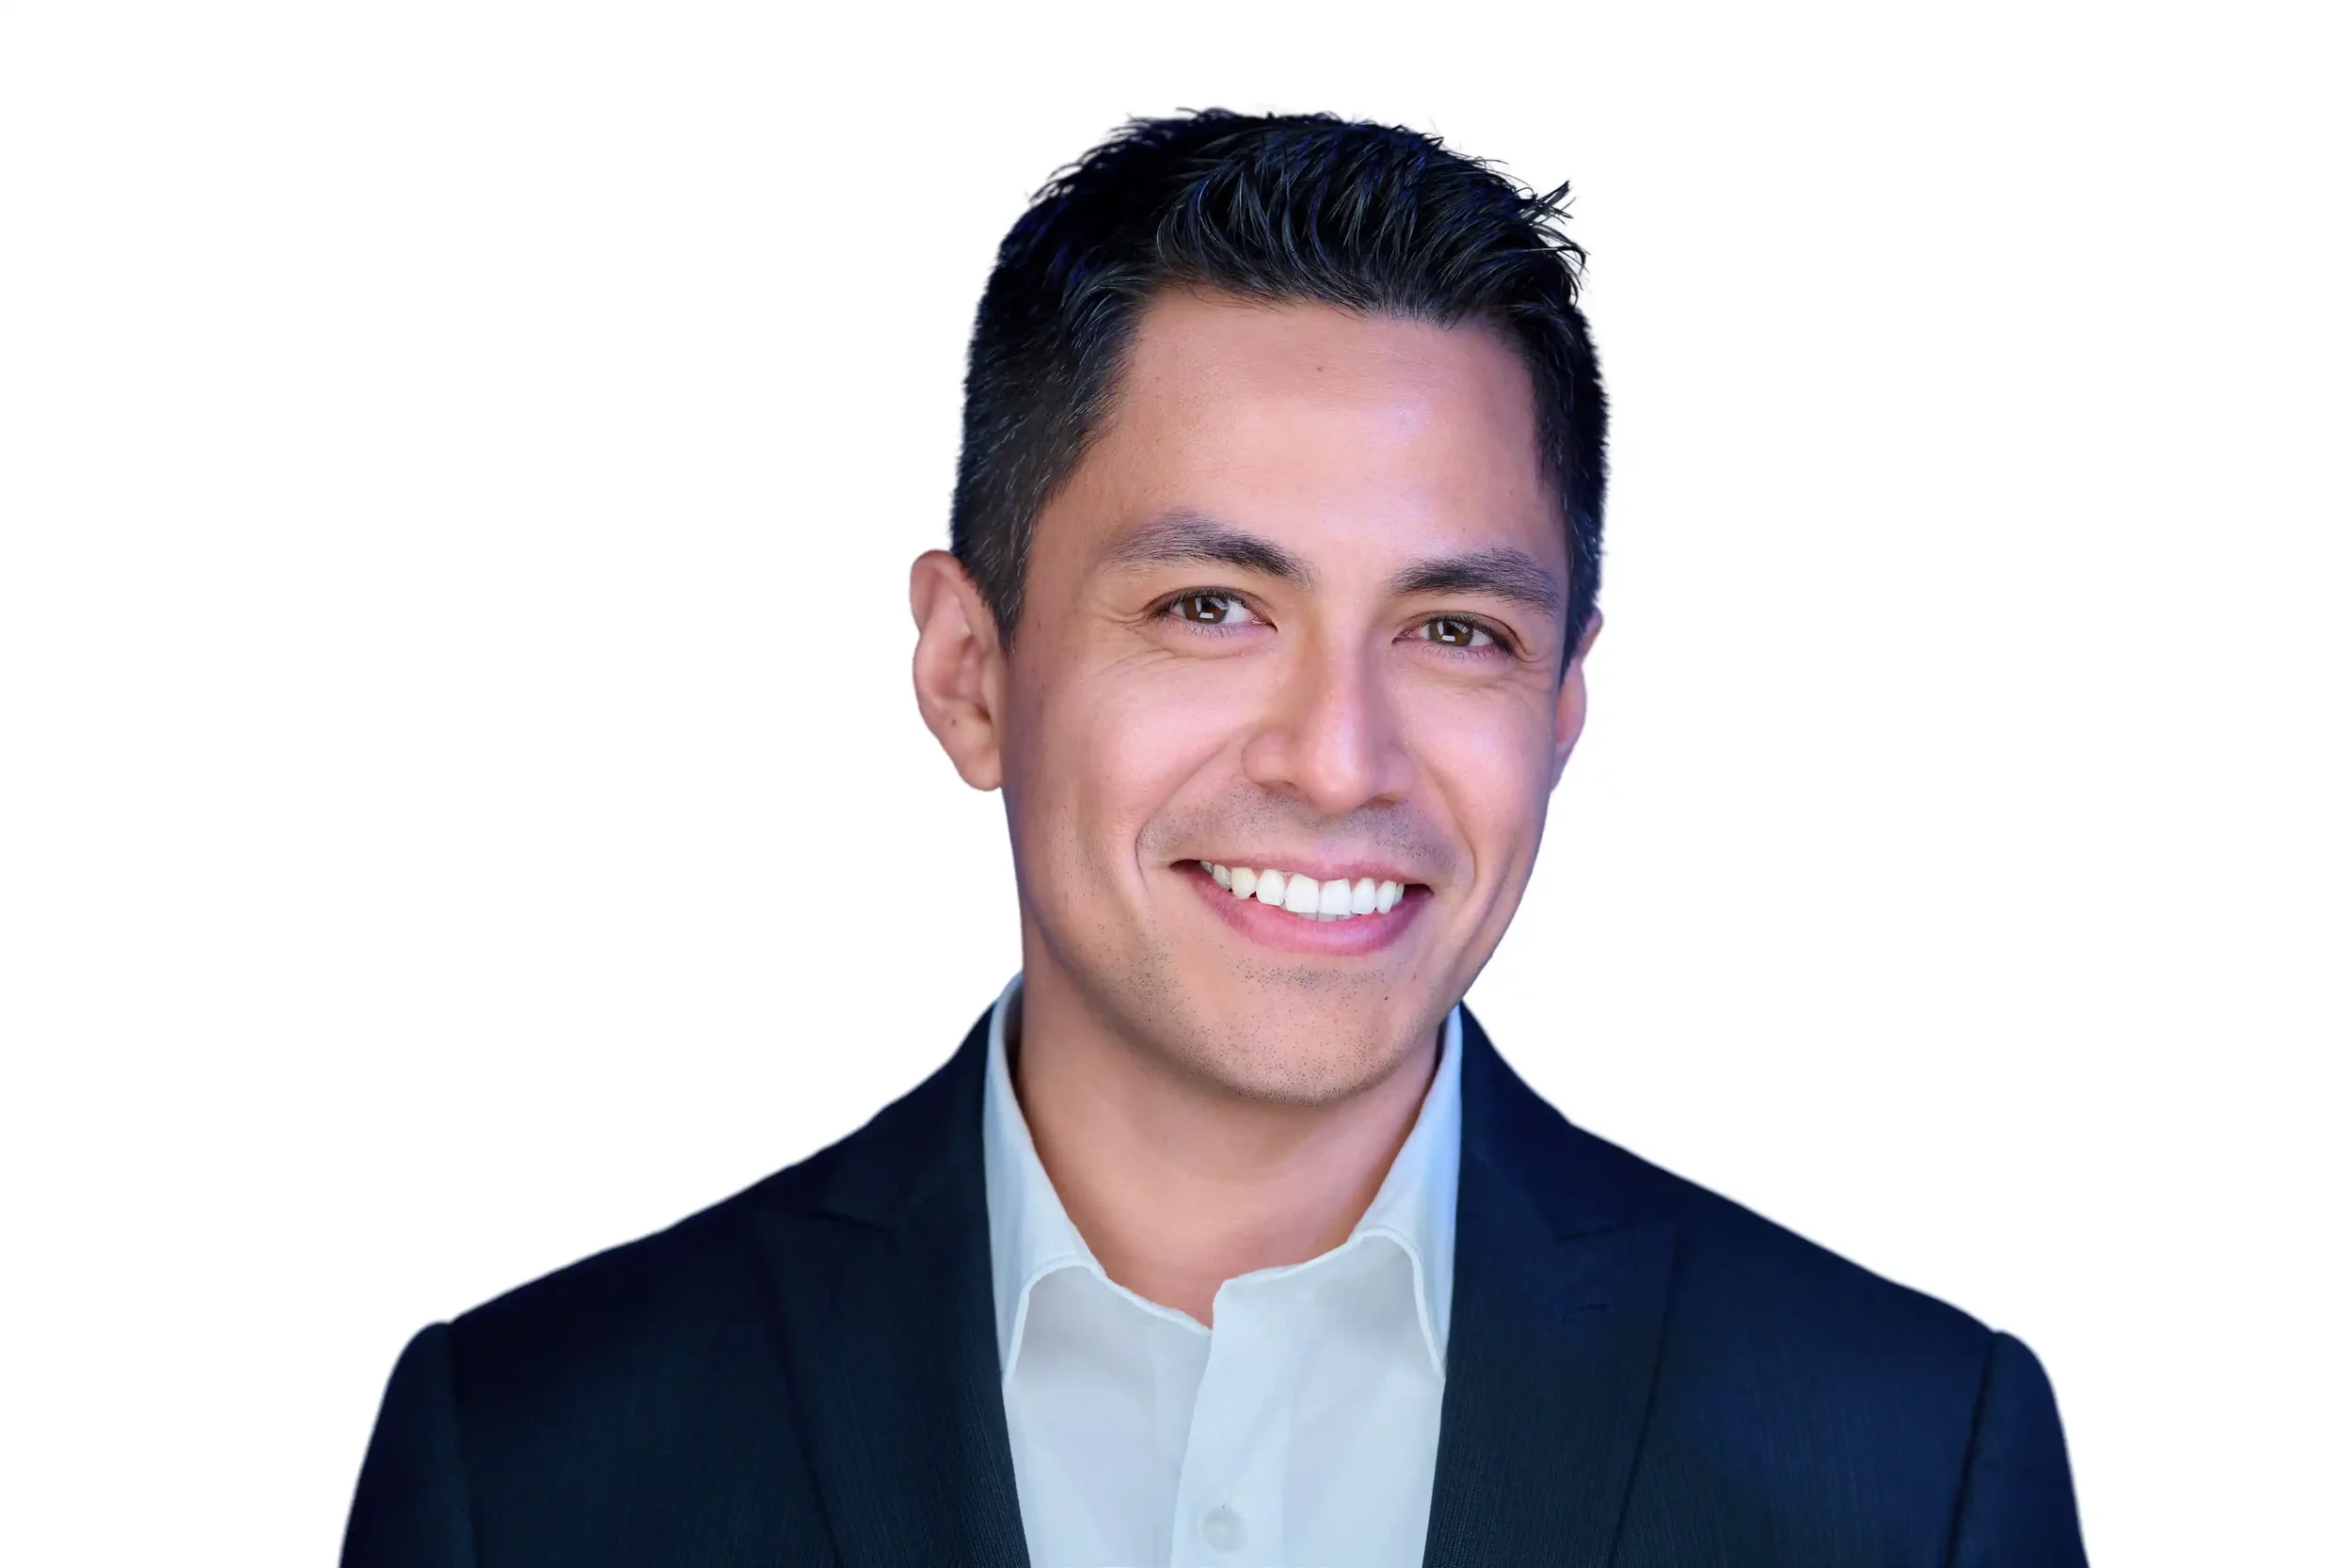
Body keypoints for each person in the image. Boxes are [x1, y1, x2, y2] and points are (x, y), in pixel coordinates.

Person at [342, 110, 2089, 1568]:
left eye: (1456, 630)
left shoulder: (1910, 1468)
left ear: (1563, 709)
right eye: (1209, 605)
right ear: (970, 673)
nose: (1339, 761)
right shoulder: (533, 1468)